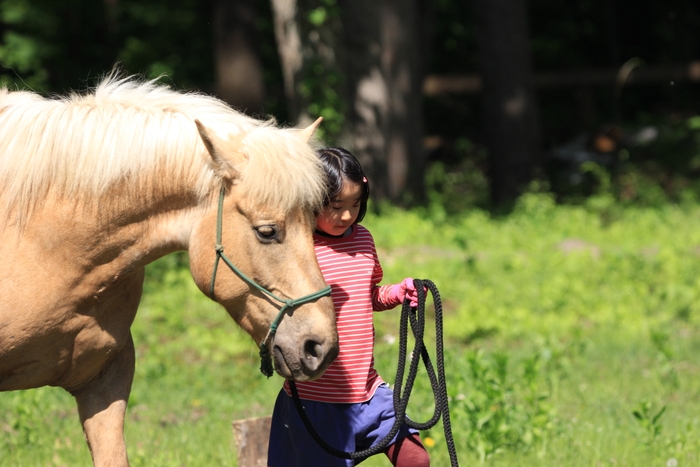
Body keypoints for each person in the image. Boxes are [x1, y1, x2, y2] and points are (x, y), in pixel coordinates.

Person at [267, 147, 430, 467]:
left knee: (416, 460)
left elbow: (366, 295)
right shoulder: (299, 248)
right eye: (336, 206)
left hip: (369, 391)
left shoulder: (363, 239)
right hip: (318, 400)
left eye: (355, 204)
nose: (346, 215)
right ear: (311, 201)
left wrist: (399, 293)